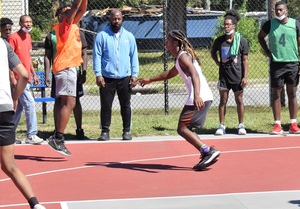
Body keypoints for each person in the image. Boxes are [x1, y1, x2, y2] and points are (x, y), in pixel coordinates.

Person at [138, 30, 220, 171]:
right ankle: (206, 151)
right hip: (201, 96)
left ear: (175, 43)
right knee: (185, 128)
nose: (166, 43)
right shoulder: (180, 58)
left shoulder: (183, 57)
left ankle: (207, 151)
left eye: (168, 41)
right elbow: (170, 73)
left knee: (182, 128)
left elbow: (194, 73)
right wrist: (150, 79)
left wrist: (197, 95)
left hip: (199, 96)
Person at [47, 0, 96, 156]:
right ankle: (58, 138)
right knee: (69, 103)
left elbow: (82, 8)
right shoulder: (64, 25)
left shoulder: (74, 25)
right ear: (64, 16)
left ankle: (57, 136)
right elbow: (76, 7)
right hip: (66, 68)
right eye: (67, 11)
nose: (71, 12)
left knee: (67, 103)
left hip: (68, 69)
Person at [1, 37, 46, 209]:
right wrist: (14, 97)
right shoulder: (3, 45)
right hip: (4, 108)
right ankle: (35, 204)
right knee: (9, 165)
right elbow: (25, 75)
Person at [258, 0, 300, 135]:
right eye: (276, 10)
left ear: (286, 10)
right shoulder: (269, 24)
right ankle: (277, 124)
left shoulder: (295, 24)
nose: (278, 12)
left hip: (292, 63)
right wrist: (268, 52)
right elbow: (260, 37)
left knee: (292, 93)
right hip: (277, 64)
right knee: (276, 93)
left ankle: (293, 123)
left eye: (281, 10)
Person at [93, 9, 139, 141]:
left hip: (125, 77)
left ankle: (126, 130)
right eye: (114, 19)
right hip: (107, 77)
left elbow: (134, 56)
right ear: (110, 19)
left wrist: (134, 74)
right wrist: (98, 74)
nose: (116, 21)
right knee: (106, 106)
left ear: (122, 19)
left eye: (119, 19)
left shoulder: (129, 37)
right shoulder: (102, 36)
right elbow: (97, 56)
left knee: (126, 105)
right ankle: (105, 131)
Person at [45, 24, 89, 140]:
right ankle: (58, 131)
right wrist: (47, 74)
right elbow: (47, 55)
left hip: (74, 71)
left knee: (75, 101)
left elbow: (84, 53)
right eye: (63, 13)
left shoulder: (78, 32)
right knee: (59, 100)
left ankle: (79, 129)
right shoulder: (52, 34)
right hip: (60, 71)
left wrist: (84, 71)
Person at [211, 9, 249, 136]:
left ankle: (241, 125)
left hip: (237, 76)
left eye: (228, 24)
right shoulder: (220, 41)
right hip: (224, 76)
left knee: (239, 100)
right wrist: (218, 62)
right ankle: (221, 125)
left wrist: (245, 77)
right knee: (223, 100)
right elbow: (213, 53)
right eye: (225, 24)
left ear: (234, 25)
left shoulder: (241, 41)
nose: (226, 27)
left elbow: (245, 59)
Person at [8, 15, 44, 145]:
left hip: (27, 77)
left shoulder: (28, 37)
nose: (28, 24)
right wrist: (12, 77)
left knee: (19, 108)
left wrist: (33, 74)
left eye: (30, 22)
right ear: (20, 23)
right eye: (26, 22)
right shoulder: (13, 38)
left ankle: (8, 134)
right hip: (18, 79)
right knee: (30, 103)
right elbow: (9, 59)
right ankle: (31, 134)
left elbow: (27, 57)